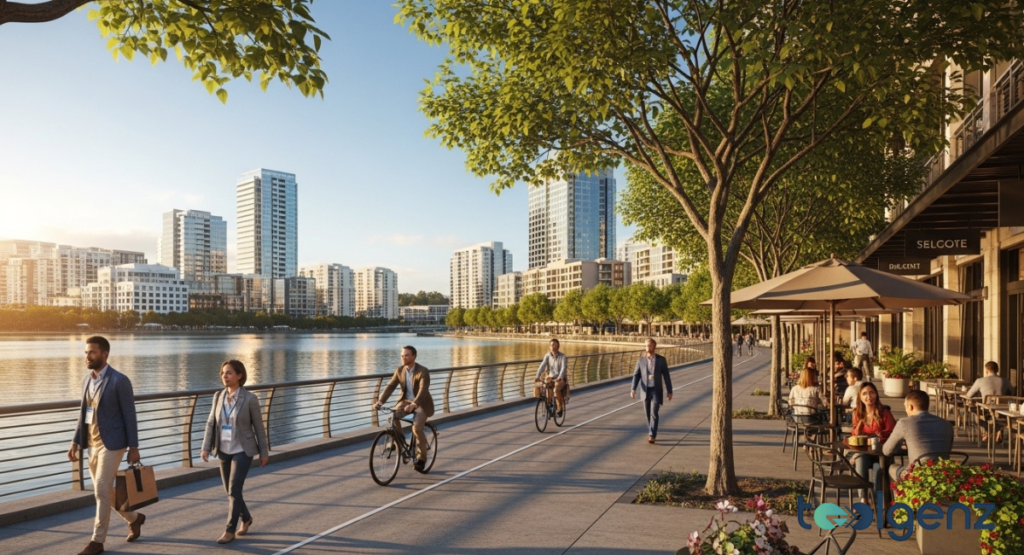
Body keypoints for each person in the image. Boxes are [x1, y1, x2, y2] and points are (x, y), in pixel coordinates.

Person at [67, 336, 146, 555]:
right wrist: (75, 441)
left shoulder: (120, 380)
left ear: (104, 354)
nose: (87, 356)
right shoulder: (86, 380)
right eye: (86, 352)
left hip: (113, 444)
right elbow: (83, 413)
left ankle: (97, 541)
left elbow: (130, 416)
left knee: (101, 488)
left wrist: (134, 447)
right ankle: (134, 518)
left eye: (92, 352)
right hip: (91, 443)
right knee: (105, 492)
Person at [200, 360, 269, 544]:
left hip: (242, 449)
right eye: (223, 373)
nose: (225, 376)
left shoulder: (250, 399)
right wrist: (205, 447)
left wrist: (264, 452)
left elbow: (259, 428)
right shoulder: (218, 396)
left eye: (229, 373)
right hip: (223, 448)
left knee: (234, 489)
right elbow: (210, 423)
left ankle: (229, 530)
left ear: (239, 375)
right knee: (230, 491)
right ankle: (246, 518)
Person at [374, 346, 435, 472]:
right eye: (402, 355)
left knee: (417, 428)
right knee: (393, 417)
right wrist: (380, 401)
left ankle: (421, 459)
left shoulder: (423, 371)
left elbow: (423, 390)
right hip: (405, 402)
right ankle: (400, 443)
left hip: (421, 403)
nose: (403, 358)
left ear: (414, 356)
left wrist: (414, 404)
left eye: (406, 355)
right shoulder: (400, 370)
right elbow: (390, 386)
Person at [883, 390, 954, 482]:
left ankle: (901, 495)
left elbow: (886, 451)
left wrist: (900, 446)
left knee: (892, 468)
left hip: (918, 474)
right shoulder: (947, 424)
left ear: (910, 407)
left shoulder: (904, 423)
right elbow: (947, 449)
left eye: (905, 407)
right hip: (943, 473)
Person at [849, 382, 896, 499]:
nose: (868, 396)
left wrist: (878, 435)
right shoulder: (857, 413)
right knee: (860, 459)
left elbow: (892, 432)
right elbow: (854, 436)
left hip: (881, 453)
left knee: (877, 469)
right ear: (860, 397)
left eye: (872, 392)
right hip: (865, 452)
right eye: (864, 394)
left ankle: (876, 500)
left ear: (876, 394)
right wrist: (857, 431)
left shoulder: (884, 413)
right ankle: (863, 499)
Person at [631, 338, 673, 443]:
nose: (647, 347)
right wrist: (633, 389)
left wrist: (669, 390)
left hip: (656, 390)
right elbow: (636, 375)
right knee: (647, 413)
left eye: (649, 345)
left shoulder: (661, 360)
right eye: (646, 345)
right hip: (645, 390)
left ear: (654, 346)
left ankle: (652, 435)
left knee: (654, 412)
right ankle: (651, 430)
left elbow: (666, 375)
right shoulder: (641, 361)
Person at [964, 361, 1014, 442]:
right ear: (997, 370)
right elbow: (1012, 394)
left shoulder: (980, 381)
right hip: (1002, 412)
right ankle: (997, 430)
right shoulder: (1006, 381)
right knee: (996, 417)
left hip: (987, 412)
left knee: (973, 412)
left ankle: (988, 432)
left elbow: (969, 395)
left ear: (986, 371)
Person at [534, 338, 568, 417]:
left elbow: (563, 368)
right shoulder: (548, 356)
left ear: (558, 346)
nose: (552, 346)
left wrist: (560, 377)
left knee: (556, 389)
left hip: (561, 379)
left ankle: (560, 408)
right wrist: (537, 376)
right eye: (551, 345)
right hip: (551, 377)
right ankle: (549, 405)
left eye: (554, 344)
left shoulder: (563, 357)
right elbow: (542, 366)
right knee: (545, 387)